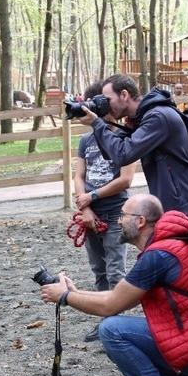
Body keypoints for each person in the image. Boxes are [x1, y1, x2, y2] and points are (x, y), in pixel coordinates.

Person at [40, 194, 188, 376]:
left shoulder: (157, 256)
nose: (118, 221)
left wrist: (65, 297)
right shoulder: (171, 244)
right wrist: (74, 293)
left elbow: (110, 306)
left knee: (111, 330)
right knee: (116, 329)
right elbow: (120, 297)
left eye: (123, 215)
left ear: (140, 221)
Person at [77, 74, 188, 223]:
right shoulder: (140, 118)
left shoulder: (157, 117)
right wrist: (101, 122)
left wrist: (97, 124)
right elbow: (110, 154)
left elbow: (123, 155)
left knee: (178, 246)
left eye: (107, 100)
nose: (106, 105)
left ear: (124, 95)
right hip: (173, 200)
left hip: (182, 203)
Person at [73, 82, 137, 342]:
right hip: (90, 216)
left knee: (115, 271)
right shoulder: (85, 140)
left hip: (114, 214)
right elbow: (79, 175)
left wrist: (93, 196)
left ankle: (117, 325)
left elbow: (126, 179)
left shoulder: (124, 137)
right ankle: (105, 322)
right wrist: (85, 206)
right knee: (99, 270)